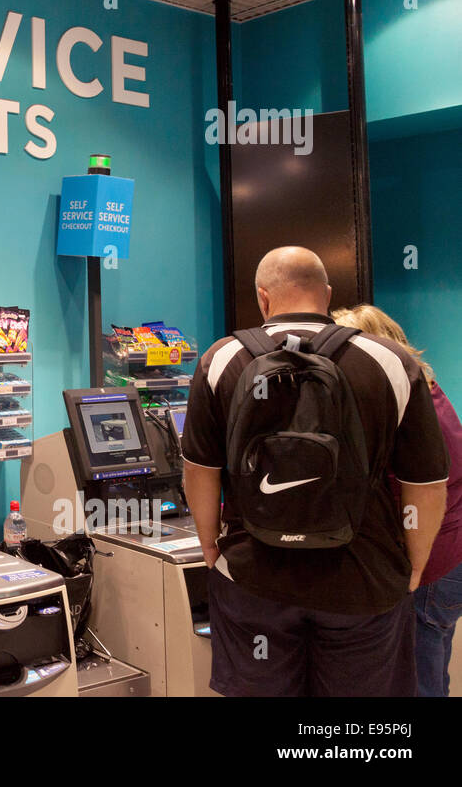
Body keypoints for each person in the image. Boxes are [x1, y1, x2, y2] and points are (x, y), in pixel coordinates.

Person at [181, 246, 448, 696]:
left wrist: (212, 549)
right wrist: (413, 566)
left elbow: (200, 470)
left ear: (263, 298)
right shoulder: (391, 362)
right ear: (326, 294)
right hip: (363, 578)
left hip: (254, 577)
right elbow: (424, 483)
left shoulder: (220, 359)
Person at [334, 304, 462, 696]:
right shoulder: (426, 391)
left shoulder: (399, 408)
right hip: (448, 557)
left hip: (426, 566)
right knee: (431, 670)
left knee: (417, 680)